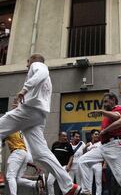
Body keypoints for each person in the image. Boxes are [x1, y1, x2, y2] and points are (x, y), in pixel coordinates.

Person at [0, 54, 80, 195]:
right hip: (38, 116)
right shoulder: (46, 81)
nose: (27, 65)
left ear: (33, 60)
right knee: (39, 153)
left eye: (27, 62)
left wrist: (24, 90)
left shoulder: (38, 66)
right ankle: (68, 185)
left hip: (30, 111)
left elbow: (42, 72)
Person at [78, 92, 121, 195]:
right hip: (103, 146)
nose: (104, 104)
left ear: (113, 99)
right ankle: (87, 191)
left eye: (106, 101)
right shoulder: (107, 114)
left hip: (115, 145)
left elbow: (118, 116)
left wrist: (101, 111)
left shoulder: (119, 108)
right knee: (82, 161)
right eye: (103, 102)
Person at [83, 129, 103, 195]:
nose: (97, 135)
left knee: (98, 182)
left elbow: (104, 154)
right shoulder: (89, 144)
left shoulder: (101, 143)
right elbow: (84, 155)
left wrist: (104, 164)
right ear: (92, 135)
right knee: (89, 181)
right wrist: (85, 147)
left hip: (98, 164)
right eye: (95, 134)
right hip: (89, 165)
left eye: (98, 134)